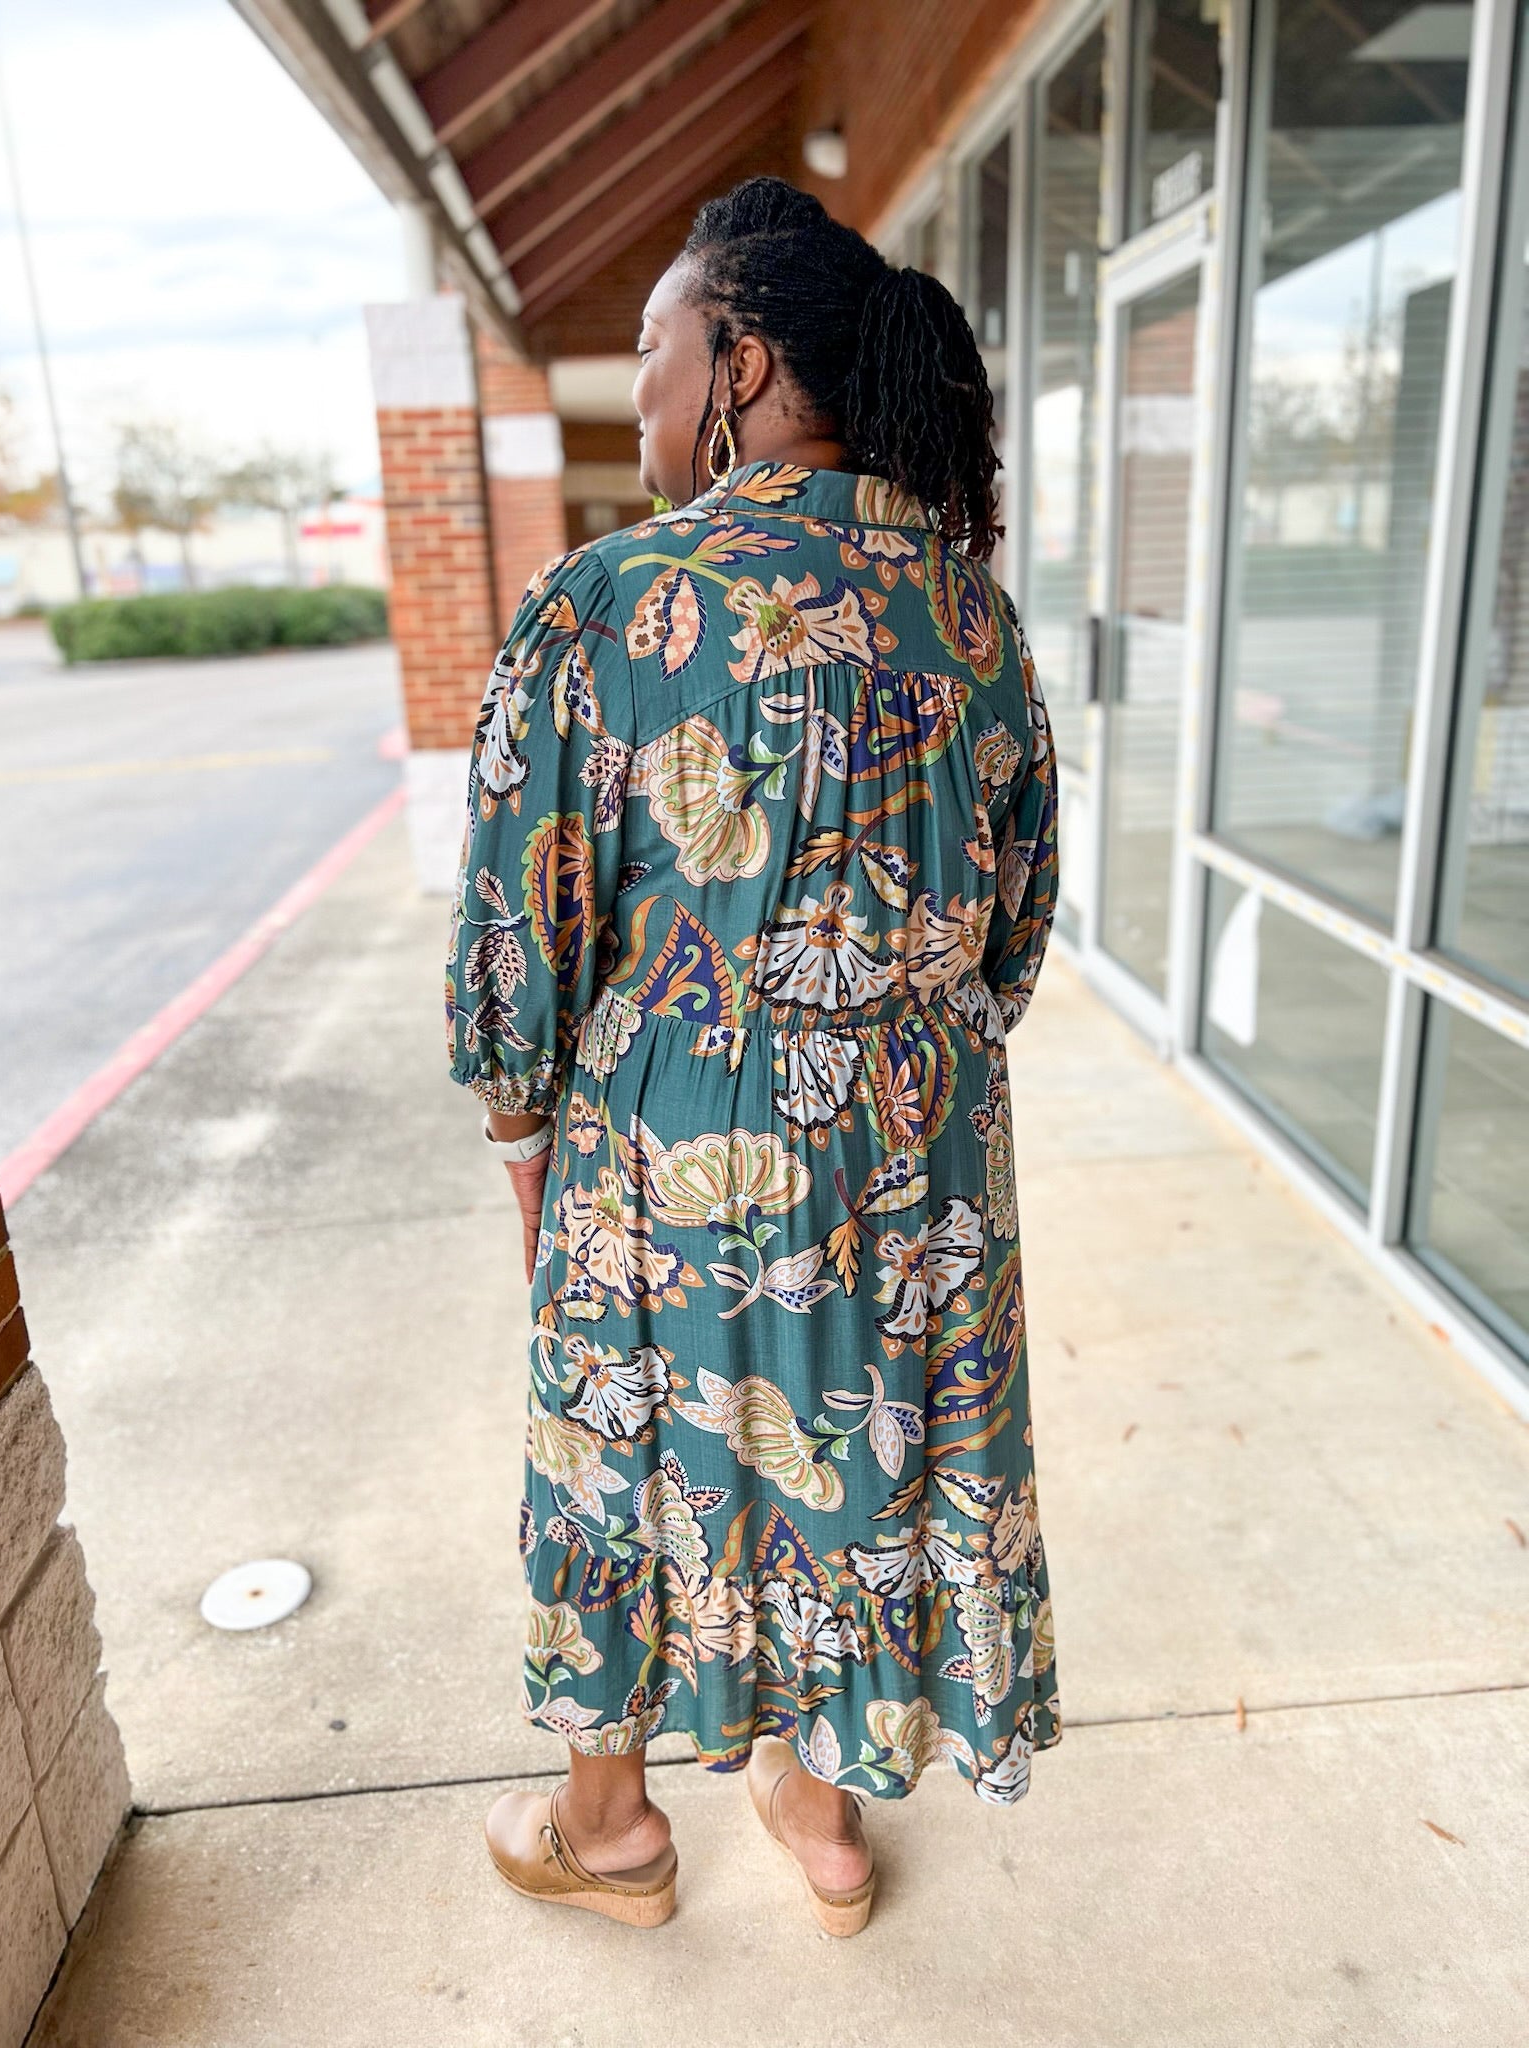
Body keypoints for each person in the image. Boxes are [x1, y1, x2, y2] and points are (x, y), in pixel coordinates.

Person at [446, 175, 1061, 1938]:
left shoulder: (613, 600)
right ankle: (826, 1815)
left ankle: (611, 1831)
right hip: (925, 1151)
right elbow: (1014, 933)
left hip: (679, 1136)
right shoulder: (973, 614)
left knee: (628, 1453)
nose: (640, 394)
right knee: (857, 1455)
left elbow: (518, 937)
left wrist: (526, 1142)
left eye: (653, 350)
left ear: (743, 361)